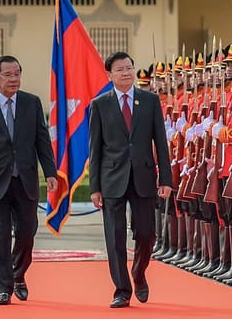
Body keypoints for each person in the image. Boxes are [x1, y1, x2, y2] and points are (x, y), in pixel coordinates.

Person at [0, 55, 57, 306]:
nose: (14, 79)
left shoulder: (31, 103)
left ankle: (18, 275)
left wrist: (50, 172)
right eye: (8, 74)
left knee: (27, 233)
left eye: (17, 73)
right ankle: (3, 288)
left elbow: (42, 140)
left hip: (25, 179)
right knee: (0, 236)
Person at [89, 51, 172, 308]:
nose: (126, 72)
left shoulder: (149, 101)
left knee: (146, 234)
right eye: (120, 69)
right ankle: (121, 290)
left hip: (144, 176)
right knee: (114, 238)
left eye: (129, 68)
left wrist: (166, 179)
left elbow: (160, 141)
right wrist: (95, 188)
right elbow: (95, 148)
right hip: (112, 177)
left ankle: (138, 271)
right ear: (110, 75)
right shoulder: (100, 104)